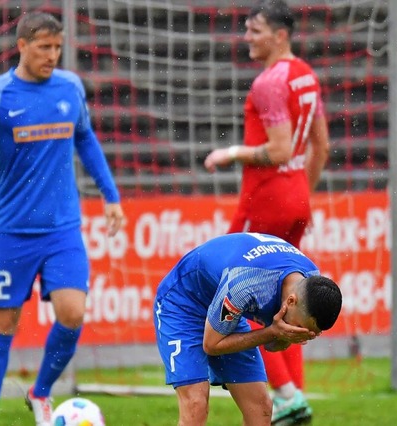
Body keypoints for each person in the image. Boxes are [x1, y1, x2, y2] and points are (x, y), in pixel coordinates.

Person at [0, 11, 124, 426]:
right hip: (12, 234)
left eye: (57, 48)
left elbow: (86, 139)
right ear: (21, 46)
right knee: (2, 324)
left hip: (62, 230)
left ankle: (40, 391)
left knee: (73, 312)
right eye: (44, 47)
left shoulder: (70, 87)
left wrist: (111, 196)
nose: (52, 56)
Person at [203, 1, 330, 424]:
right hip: (295, 196)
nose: (247, 38)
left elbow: (276, 150)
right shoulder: (305, 75)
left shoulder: (269, 83)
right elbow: (321, 147)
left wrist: (229, 152)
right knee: (291, 292)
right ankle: (296, 394)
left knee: (246, 292)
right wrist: (300, 194)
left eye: (255, 30)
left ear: (280, 35)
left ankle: (288, 397)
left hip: (265, 198)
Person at [154, 232, 342, 426]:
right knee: (196, 406)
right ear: (291, 301)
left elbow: (272, 346)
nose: (300, 334)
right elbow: (211, 345)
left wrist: (281, 336)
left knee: (260, 409)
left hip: (224, 306)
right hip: (183, 304)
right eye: (300, 327)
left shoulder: (311, 282)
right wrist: (273, 332)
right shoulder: (245, 285)